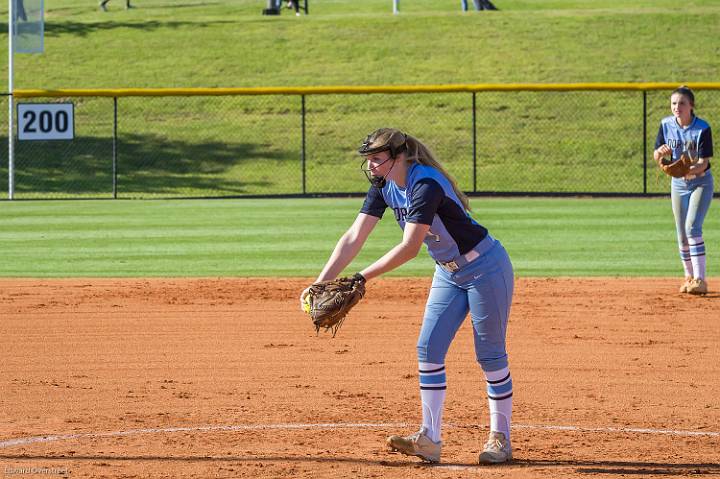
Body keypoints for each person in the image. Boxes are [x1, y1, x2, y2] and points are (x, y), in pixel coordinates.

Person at [300, 128, 515, 464]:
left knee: (489, 354)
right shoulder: (384, 185)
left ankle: (500, 438)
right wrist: (321, 281)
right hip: (448, 272)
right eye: (368, 159)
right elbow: (355, 235)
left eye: (376, 159)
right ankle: (429, 439)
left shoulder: (424, 185)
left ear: (399, 157)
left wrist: (360, 277)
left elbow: (410, 247)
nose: (370, 166)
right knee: (428, 349)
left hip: (486, 268)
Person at [653, 86, 714, 295]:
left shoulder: (702, 128)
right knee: (681, 234)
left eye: (682, 103)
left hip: (700, 183)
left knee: (692, 228)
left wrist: (687, 170)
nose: (677, 107)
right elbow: (657, 155)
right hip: (678, 185)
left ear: (691, 106)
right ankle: (688, 277)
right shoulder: (666, 124)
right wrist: (660, 156)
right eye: (673, 103)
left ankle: (700, 279)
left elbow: (704, 164)